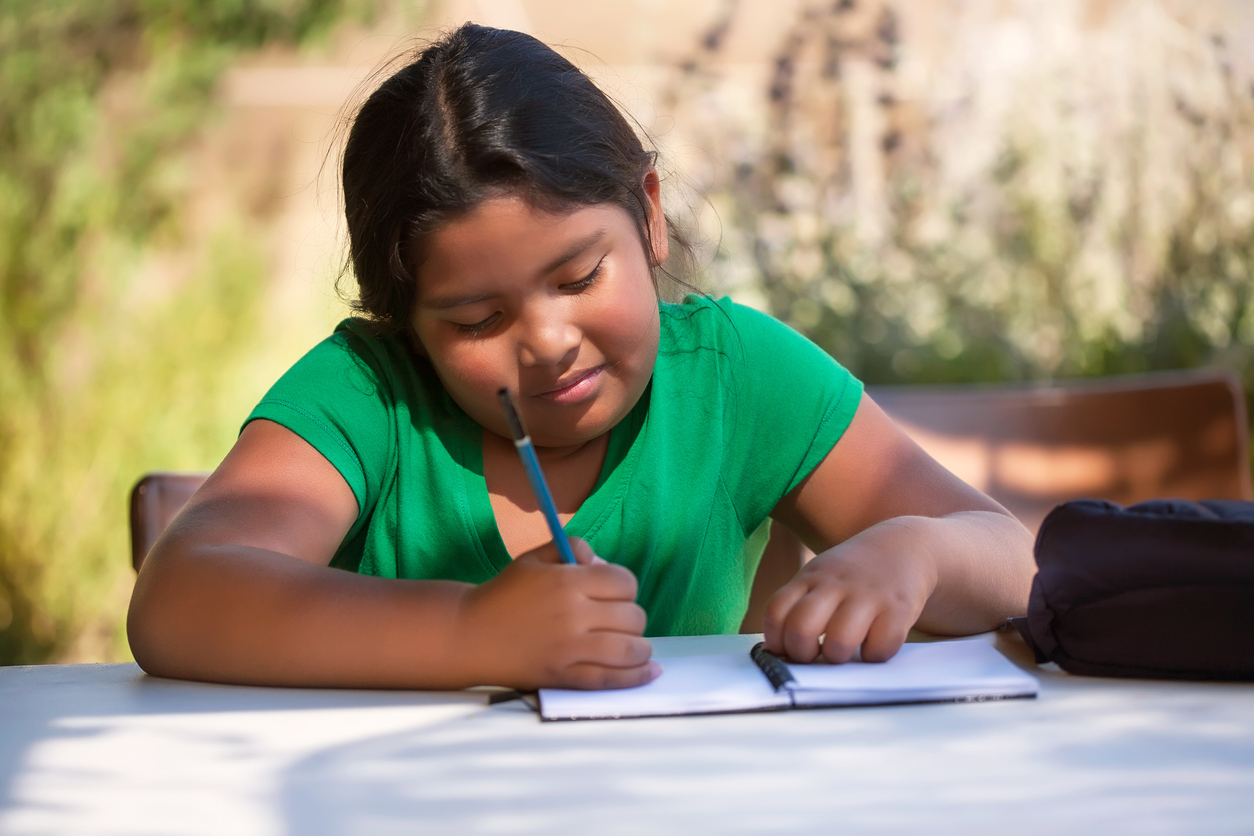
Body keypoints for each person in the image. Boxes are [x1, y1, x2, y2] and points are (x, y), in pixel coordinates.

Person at [127, 23, 1036, 691]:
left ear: (647, 212)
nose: (548, 342)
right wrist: (473, 632)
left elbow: (1020, 565)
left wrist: (915, 553)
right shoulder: (369, 393)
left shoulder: (738, 376)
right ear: (403, 325)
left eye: (578, 276)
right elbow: (178, 599)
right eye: (476, 318)